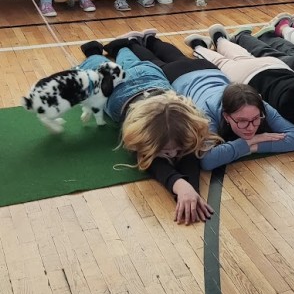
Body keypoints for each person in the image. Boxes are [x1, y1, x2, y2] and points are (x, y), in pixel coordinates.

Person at [100, 31, 294, 170]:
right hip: (179, 77)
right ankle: (135, 42)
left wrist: (253, 145)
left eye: (255, 120)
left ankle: (150, 39)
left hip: (210, 70)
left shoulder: (258, 106)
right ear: (226, 116)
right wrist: (249, 142)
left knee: (178, 56)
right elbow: (207, 160)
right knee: (156, 61)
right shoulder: (205, 113)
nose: (251, 127)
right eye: (241, 121)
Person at [78, 40, 220, 225]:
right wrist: (179, 184)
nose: (173, 156)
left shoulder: (182, 124)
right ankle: (96, 52)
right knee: (98, 67)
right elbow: (149, 159)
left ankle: (120, 47)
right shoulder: (139, 129)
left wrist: (190, 188)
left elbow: (189, 149)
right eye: (167, 152)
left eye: (177, 150)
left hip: (148, 74)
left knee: (130, 61)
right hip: (120, 86)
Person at [184, 27, 294, 150]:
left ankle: (220, 39)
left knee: (242, 56)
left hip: (275, 65)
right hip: (249, 77)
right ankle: (199, 46)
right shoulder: (290, 106)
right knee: (222, 63)